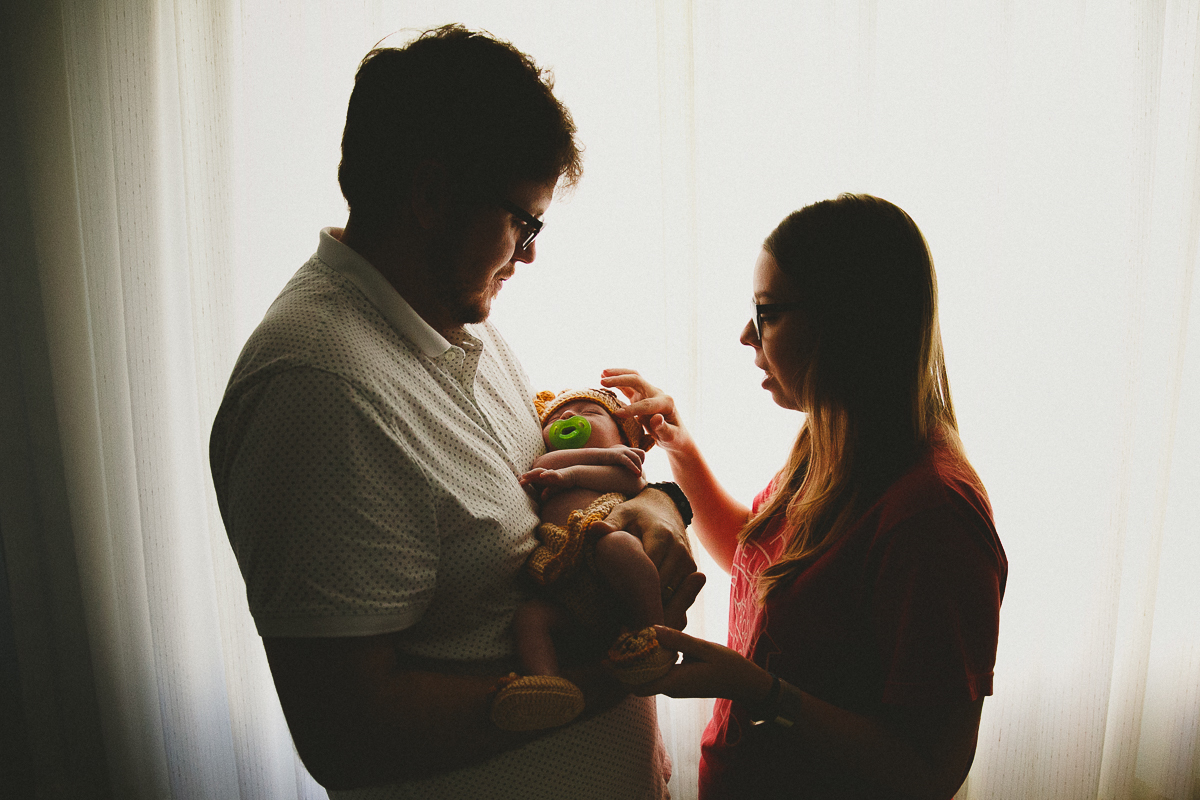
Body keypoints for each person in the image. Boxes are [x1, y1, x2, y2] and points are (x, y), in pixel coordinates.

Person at [208, 24, 703, 799]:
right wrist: (608, 680)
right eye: (522, 222)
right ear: (431, 196)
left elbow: (537, 496)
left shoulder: (451, 320)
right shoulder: (318, 387)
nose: (530, 253)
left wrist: (656, 507)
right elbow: (350, 728)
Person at [603, 194, 1008, 799]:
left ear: (847, 321)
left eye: (767, 313)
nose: (747, 335)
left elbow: (928, 773)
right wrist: (679, 448)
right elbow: (757, 551)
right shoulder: (834, 437)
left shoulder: (933, 517)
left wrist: (763, 691)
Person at [493, 388, 677, 732]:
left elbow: (632, 480)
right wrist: (588, 463)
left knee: (618, 545)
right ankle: (547, 684)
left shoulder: (622, 463)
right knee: (530, 616)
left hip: (604, 556)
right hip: (568, 582)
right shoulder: (548, 464)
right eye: (558, 416)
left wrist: (586, 470)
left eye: (590, 413)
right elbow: (546, 465)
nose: (568, 417)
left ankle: (652, 636)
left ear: (621, 437)